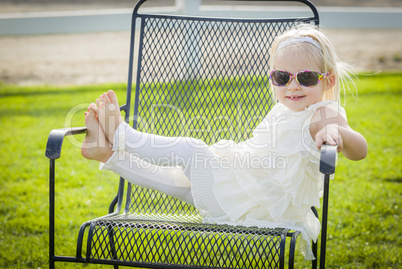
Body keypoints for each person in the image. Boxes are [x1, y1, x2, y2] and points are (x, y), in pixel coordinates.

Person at [81, 24, 367, 260]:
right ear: (273, 79)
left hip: (251, 209)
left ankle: (121, 134)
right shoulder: (286, 108)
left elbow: (359, 149)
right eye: (282, 77)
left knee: (192, 151)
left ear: (327, 81)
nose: (293, 86)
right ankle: (106, 154)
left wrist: (338, 135)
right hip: (237, 198)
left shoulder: (324, 113)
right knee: (173, 180)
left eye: (305, 77)